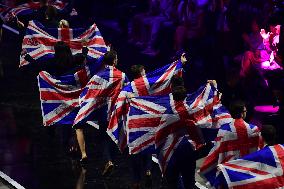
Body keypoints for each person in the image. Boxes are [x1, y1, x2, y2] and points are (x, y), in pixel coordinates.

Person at [199, 100, 262, 188]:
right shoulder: (254, 129)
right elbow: (259, 150)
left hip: (229, 172)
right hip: (249, 171)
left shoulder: (223, 131)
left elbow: (216, 151)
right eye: (245, 111)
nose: (246, 112)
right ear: (242, 113)